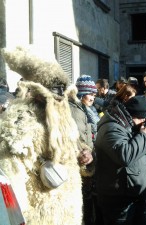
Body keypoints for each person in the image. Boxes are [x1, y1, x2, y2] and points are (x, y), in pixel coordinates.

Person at [0, 46, 89, 224]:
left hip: (68, 213)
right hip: (41, 216)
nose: (60, 101)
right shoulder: (19, 124)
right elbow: (11, 177)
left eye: (62, 96)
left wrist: (84, 156)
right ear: (39, 93)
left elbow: (73, 153)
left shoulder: (64, 120)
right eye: (54, 95)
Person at [95, 96, 146, 225]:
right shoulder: (111, 128)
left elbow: (134, 147)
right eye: (142, 119)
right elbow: (124, 155)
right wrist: (145, 136)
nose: (144, 122)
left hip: (133, 194)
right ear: (132, 115)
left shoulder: (126, 124)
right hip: (118, 200)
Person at [74, 74, 101, 225]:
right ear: (82, 94)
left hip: (92, 162)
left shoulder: (91, 111)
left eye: (94, 94)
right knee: (85, 203)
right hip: (83, 164)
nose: (93, 97)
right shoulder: (78, 112)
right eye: (90, 94)